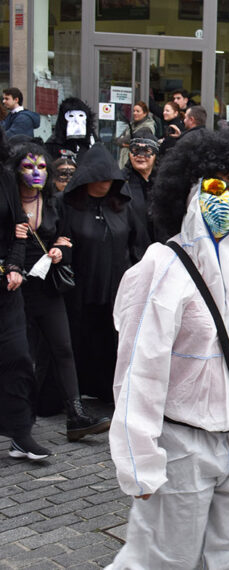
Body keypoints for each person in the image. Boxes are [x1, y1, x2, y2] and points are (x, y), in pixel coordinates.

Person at [105, 129, 229, 568]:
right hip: (182, 445)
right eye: (215, 186)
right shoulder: (159, 270)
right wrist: (139, 460)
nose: (227, 199)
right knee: (162, 559)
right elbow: (139, 371)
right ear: (189, 190)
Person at [10, 141, 110, 441]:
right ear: (16, 171)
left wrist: (58, 251)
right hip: (13, 289)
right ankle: (19, 422)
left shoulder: (54, 203)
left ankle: (76, 415)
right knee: (19, 355)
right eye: (29, 167)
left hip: (46, 287)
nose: (36, 172)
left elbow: (65, 239)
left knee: (62, 348)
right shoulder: (7, 203)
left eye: (42, 167)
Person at [62, 144, 146, 402]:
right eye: (100, 179)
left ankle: (110, 391)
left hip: (116, 288)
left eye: (110, 179)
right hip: (79, 288)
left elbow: (138, 245)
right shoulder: (68, 206)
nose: (105, 184)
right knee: (78, 338)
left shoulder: (124, 206)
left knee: (111, 340)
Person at [0, 130, 51, 460]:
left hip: (6, 287)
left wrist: (15, 265)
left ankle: (21, 434)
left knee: (18, 356)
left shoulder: (5, 177)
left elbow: (19, 227)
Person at [124, 132, 159, 243]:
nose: (140, 155)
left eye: (147, 151)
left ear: (155, 155)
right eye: (135, 150)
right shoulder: (120, 184)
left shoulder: (164, 183)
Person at [115, 101, 157, 169]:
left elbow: (131, 139)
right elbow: (117, 140)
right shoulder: (132, 125)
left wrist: (125, 142)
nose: (135, 113)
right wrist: (126, 143)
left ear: (145, 113)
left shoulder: (147, 127)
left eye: (138, 111)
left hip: (136, 162)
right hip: (124, 160)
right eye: (134, 111)